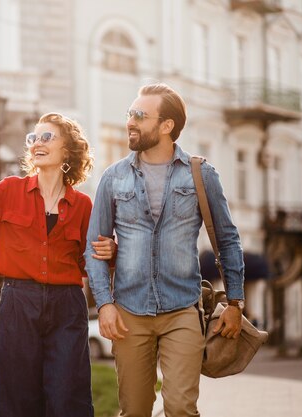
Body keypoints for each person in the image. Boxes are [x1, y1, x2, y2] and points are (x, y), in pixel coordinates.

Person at [0, 112, 115, 417]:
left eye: (47, 137)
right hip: (19, 302)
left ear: (68, 150)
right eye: (33, 138)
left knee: (68, 396)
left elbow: (94, 261)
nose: (36, 143)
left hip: (67, 306)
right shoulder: (9, 190)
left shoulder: (84, 205)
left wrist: (110, 249)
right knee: (18, 397)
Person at [84, 83, 245, 417]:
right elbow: (94, 247)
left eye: (140, 115)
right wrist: (105, 305)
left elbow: (228, 240)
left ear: (166, 125)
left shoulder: (201, 175)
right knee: (135, 410)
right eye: (130, 114)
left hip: (181, 310)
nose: (130, 122)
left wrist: (235, 301)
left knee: (182, 408)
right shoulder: (114, 178)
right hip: (128, 312)